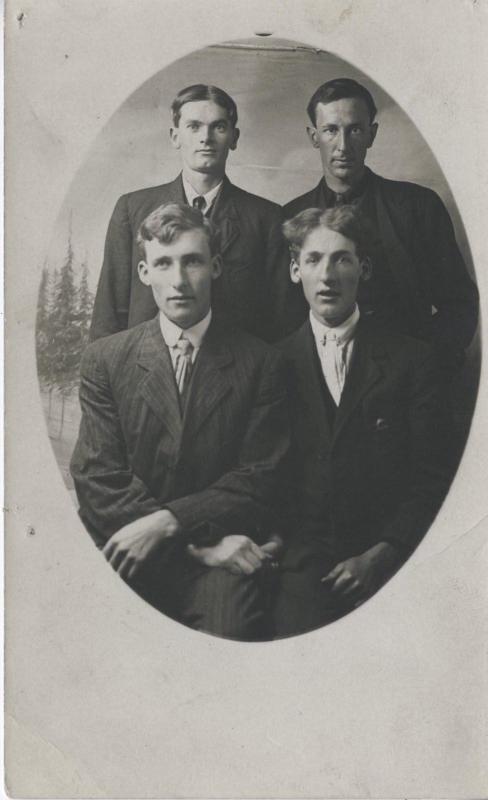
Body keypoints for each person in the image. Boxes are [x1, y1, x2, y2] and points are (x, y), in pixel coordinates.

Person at [71, 203, 289, 640]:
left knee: (228, 636)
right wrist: (197, 548)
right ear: (143, 271)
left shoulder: (261, 362)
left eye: (192, 261)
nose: (179, 280)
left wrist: (170, 523)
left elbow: (259, 479)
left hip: (220, 568)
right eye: (164, 263)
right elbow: (98, 475)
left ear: (216, 266)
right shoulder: (105, 359)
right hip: (129, 548)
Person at [274, 205, 452, 637]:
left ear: (364, 268)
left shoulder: (414, 361)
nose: (328, 275)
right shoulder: (271, 364)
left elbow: (435, 476)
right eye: (314, 260)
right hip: (302, 567)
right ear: (296, 270)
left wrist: (383, 554)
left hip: (394, 560)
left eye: (342, 259)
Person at [283, 78, 479, 365]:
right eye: (331, 131)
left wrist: (420, 368)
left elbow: (460, 306)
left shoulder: (418, 207)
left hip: (409, 374)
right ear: (314, 137)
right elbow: (282, 316)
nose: (343, 145)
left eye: (355, 130)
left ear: (372, 134)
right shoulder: (291, 216)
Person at [90, 84, 289, 343]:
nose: (205, 137)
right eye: (194, 126)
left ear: (234, 137)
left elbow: (280, 322)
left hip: (236, 374)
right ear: (175, 137)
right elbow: (108, 316)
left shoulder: (266, 219)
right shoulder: (132, 209)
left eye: (218, 127)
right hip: (147, 371)